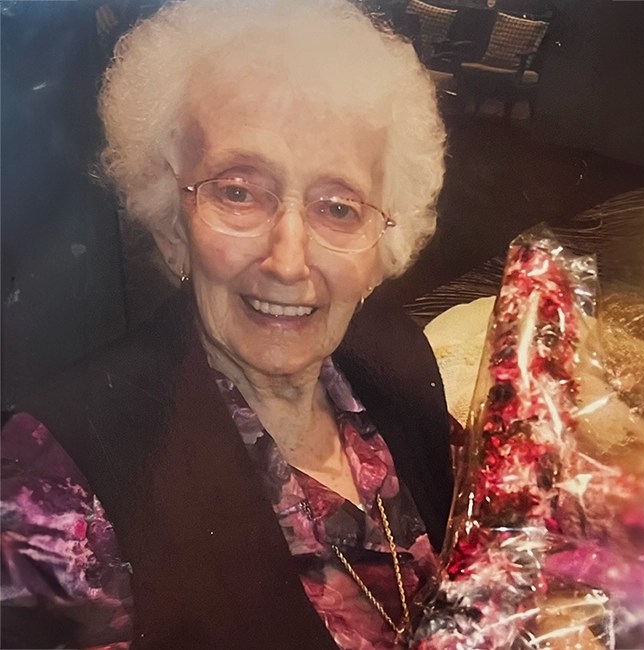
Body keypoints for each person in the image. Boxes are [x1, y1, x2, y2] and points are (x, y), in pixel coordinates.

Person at [0, 1, 453, 648]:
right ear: (169, 226)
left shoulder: (401, 361)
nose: (289, 261)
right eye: (238, 191)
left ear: (385, 243)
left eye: (338, 207)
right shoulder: (58, 477)